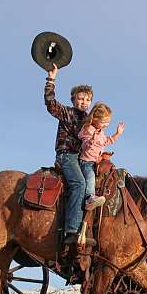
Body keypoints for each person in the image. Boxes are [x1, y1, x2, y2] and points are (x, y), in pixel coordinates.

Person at [44, 63, 92, 245]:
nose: (83, 102)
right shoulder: (67, 113)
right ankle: (71, 230)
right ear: (73, 100)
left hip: (81, 158)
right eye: (80, 99)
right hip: (67, 155)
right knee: (79, 183)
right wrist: (51, 79)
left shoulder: (89, 120)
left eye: (87, 100)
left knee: (93, 184)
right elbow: (50, 104)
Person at [78, 103, 125, 210]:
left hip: (97, 162)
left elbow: (107, 141)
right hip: (86, 162)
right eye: (104, 122)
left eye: (107, 122)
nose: (106, 124)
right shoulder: (88, 129)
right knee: (90, 176)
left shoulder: (100, 132)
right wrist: (91, 140)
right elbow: (84, 146)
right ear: (94, 119)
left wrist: (117, 133)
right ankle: (90, 197)